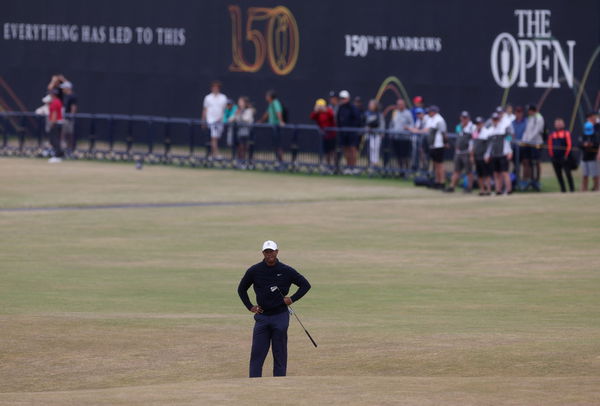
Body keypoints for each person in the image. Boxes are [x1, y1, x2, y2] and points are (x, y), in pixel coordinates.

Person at [237, 240, 311, 378]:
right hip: (262, 317)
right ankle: (254, 383)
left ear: (277, 252)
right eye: (267, 252)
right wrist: (250, 306)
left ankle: (279, 382)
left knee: (279, 352)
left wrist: (292, 299)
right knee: (257, 353)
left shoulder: (286, 270)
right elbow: (241, 289)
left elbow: (305, 285)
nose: (269, 254)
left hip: (280, 317)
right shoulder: (254, 270)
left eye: (272, 251)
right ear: (263, 253)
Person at [446, 111, 475, 192]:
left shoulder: (472, 127)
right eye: (462, 118)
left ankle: (469, 187)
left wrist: (471, 153)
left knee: (468, 171)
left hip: (467, 152)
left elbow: (473, 141)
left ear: (468, 118)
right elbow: (458, 138)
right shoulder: (459, 127)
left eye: (465, 118)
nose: (463, 119)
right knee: (456, 170)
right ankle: (452, 186)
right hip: (458, 152)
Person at [485, 112, 513, 195]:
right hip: (494, 155)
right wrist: (487, 154)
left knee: (505, 172)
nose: (495, 121)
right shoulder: (490, 130)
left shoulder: (503, 129)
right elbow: (489, 145)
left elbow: (507, 141)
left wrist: (509, 151)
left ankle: (509, 190)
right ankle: (498, 190)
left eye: (496, 119)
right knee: (496, 173)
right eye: (493, 119)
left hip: (503, 154)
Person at [520, 105, 545, 191]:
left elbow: (537, 131)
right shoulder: (530, 118)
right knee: (528, 161)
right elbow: (527, 131)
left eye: (529, 110)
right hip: (528, 144)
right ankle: (529, 179)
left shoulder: (539, 118)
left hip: (536, 143)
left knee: (536, 162)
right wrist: (524, 140)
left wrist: (528, 140)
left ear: (532, 110)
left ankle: (536, 181)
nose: (528, 112)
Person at [336, 90, 361, 174]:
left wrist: (352, 129)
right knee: (346, 150)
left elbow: (357, 119)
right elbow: (338, 120)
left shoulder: (352, 107)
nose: (342, 100)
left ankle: (353, 168)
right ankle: (348, 167)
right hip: (343, 133)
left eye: (344, 98)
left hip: (352, 133)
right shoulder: (340, 108)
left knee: (352, 150)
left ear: (348, 98)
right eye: (341, 98)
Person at [547, 118, 574, 193]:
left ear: (563, 124)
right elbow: (550, 146)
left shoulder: (566, 133)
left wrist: (566, 155)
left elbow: (569, 145)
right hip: (555, 158)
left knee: (568, 173)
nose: (558, 125)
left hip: (564, 157)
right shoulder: (552, 134)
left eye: (560, 123)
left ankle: (572, 189)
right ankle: (563, 189)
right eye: (557, 123)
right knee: (558, 174)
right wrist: (552, 156)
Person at [202, 80, 228, 159]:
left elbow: (225, 110)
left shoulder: (223, 98)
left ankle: (211, 155)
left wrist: (223, 118)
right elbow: (205, 110)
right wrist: (203, 120)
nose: (215, 89)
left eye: (216, 87)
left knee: (216, 137)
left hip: (220, 121)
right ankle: (216, 154)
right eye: (214, 87)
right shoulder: (208, 98)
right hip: (211, 121)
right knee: (214, 137)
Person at [260, 90, 286, 163]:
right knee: (275, 144)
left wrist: (281, 121)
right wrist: (261, 121)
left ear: (270, 97)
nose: (266, 97)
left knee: (278, 144)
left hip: (277, 127)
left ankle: (281, 161)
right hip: (273, 127)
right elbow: (267, 114)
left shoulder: (275, 102)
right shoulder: (271, 104)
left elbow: (278, 112)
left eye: (267, 96)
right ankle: (278, 160)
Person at [424, 105, 447, 189]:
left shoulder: (439, 120)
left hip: (439, 145)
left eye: (430, 112)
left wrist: (445, 142)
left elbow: (443, 132)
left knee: (440, 165)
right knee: (436, 164)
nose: (428, 113)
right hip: (434, 146)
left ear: (433, 112)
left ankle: (442, 182)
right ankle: (437, 181)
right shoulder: (432, 119)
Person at [388, 99, 414, 171]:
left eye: (400, 104)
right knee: (398, 155)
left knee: (404, 156)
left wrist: (408, 128)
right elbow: (392, 123)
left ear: (404, 105)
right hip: (396, 137)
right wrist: (391, 132)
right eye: (398, 104)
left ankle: (406, 170)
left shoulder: (408, 113)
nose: (399, 106)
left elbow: (412, 124)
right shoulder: (395, 112)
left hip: (405, 138)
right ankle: (400, 170)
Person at [310, 98, 336, 167]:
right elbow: (312, 117)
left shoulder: (329, 110)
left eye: (320, 106)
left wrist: (325, 110)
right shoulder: (318, 113)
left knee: (332, 151)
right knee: (326, 151)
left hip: (332, 134)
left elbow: (332, 116)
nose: (319, 107)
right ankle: (328, 165)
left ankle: (334, 166)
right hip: (324, 135)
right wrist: (315, 111)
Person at [471, 116, 492, 195]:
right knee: (479, 174)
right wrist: (472, 155)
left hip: (484, 156)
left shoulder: (487, 132)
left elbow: (489, 145)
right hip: (477, 156)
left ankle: (488, 190)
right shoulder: (474, 132)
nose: (478, 125)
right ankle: (482, 190)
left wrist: (487, 155)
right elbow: (472, 144)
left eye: (479, 123)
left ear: (483, 124)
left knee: (486, 174)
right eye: (477, 124)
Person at [232, 96, 255, 168]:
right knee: (240, 148)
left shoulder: (249, 110)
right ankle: (240, 162)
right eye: (239, 102)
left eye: (241, 102)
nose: (239, 103)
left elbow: (247, 119)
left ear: (245, 103)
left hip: (248, 133)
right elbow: (232, 119)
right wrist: (236, 114)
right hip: (239, 133)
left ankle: (247, 163)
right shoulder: (238, 110)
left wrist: (240, 114)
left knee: (246, 148)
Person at [580, 111, 600, 191]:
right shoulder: (586, 128)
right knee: (585, 175)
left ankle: (597, 188)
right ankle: (584, 190)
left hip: (594, 155)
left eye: (594, 117)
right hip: (585, 155)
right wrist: (584, 144)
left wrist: (594, 146)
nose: (593, 118)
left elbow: (597, 142)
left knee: (595, 175)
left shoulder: (597, 128)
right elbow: (579, 142)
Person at [364, 99, 385, 167]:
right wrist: (366, 128)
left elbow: (382, 124)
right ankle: (371, 163)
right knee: (370, 148)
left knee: (376, 149)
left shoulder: (379, 114)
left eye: (372, 104)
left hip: (377, 134)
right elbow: (365, 123)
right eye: (370, 104)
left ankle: (375, 163)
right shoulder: (367, 113)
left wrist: (382, 132)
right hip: (370, 134)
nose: (370, 106)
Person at [60, 81, 77, 154]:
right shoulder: (66, 96)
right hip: (65, 118)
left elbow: (73, 107)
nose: (62, 89)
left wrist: (71, 117)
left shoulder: (72, 96)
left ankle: (70, 150)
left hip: (68, 119)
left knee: (69, 134)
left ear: (67, 88)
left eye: (64, 88)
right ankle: (65, 149)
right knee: (64, 134)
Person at [47, 89, 64, 162]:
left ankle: (57, 156)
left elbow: (54, 113)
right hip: (59, 122)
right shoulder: (58, 101)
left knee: (54, 140)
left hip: (56, 123)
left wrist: (52, 123)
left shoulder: (55, 102)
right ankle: (59, 155)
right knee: (56, 140)